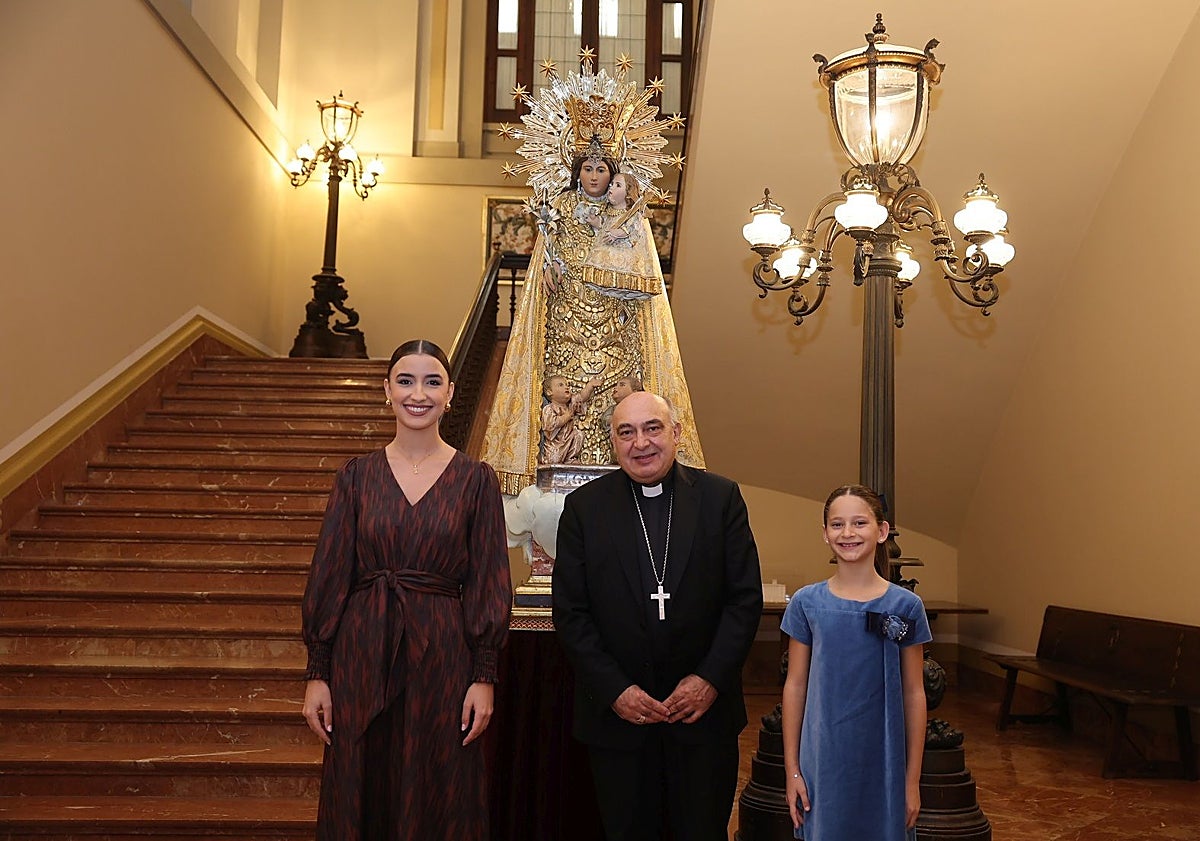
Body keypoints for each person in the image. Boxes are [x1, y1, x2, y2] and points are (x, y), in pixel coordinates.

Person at [301, 339, 512, 841]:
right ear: (387, 391)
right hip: (361, 650)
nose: (419, 393)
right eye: (406, 380)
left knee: (440, 780)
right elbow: (330, 574)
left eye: (432, 381)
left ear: (451, 393)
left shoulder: (477, 480)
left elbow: (489, 578)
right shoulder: (355, 476)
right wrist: (318, 672)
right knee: (359, 777)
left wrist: (483, 674)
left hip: (443, 655)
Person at [552, 390, 763, 840]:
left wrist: (708, 680)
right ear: (612, 442)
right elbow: (571, 613)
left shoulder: (720, 498)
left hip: (703, 719)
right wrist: (616, 690)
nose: (641, 443)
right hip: (618, 721)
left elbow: (743, 600)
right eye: (626, 432)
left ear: (676, 433)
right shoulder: (585, 508)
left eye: (652, 428)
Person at [481, 140, 705, 493]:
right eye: (588, 168)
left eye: (602, 170)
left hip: (618, 320)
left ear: (616, 176)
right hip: (565, 319)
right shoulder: (560, 208)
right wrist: (548, 269)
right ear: (576, 171)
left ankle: (619, 451)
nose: (594, 176)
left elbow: (642, 267)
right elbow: (548, 253)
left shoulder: (631, 215)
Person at [780, 485, 931, 841]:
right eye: (837, 524)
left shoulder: (906, 606)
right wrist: (793, 772)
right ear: (825, 534)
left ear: (881, 531)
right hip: (823, 763)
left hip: (884, 763)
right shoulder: (806, 603)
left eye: (859, 522)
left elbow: (914, 693)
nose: (848, 533)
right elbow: (795, 685)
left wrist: (912, 781)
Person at [580, 172, 660, 299]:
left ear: (628, 192)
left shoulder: (633, 214)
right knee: (601, 254)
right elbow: (603, 225)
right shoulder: (609, 211)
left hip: (624, 252)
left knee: (611, 257)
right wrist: (594, 221)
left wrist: (619, 233)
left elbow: (634, 229)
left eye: (618, 185)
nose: (611, 188)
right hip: (607, 251)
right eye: (611, 184)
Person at [540, 373, 600, 464]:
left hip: (569, 439)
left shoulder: (570, 405)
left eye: (567, 385)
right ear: (549, 392)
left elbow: (581, 397)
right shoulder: (549, 409)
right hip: (556, 444)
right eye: (561, 385)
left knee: (578, 434)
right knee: (554, 460)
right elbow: (550, 425)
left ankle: (570, 458)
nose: (567, 387)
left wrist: (590, 386)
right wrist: (567, 416)